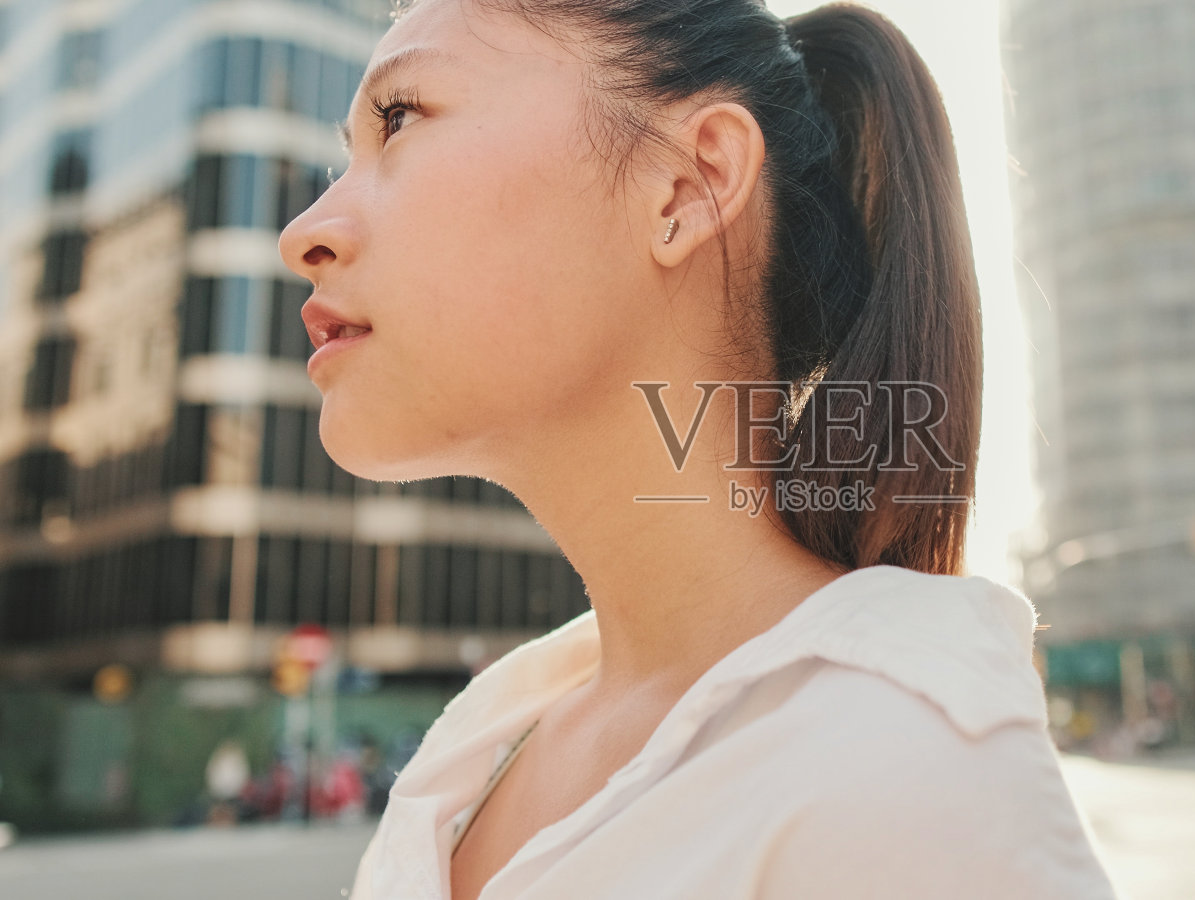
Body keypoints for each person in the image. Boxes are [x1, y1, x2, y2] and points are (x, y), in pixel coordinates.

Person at [276, 1, 1115, 898]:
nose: (302, 235)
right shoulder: (478, 752)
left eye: (400, 118)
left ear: (688, 186)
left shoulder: (911, 776)